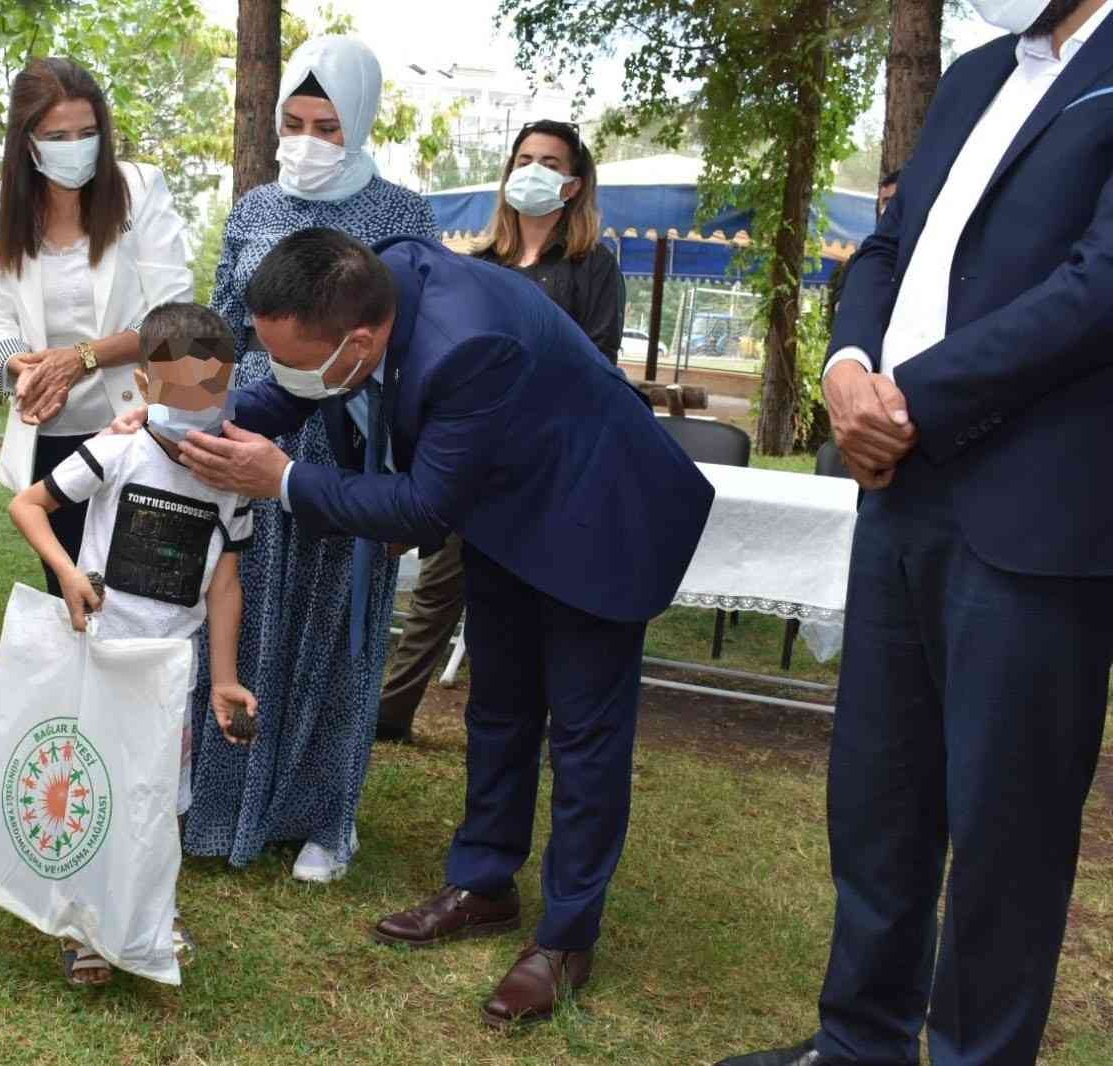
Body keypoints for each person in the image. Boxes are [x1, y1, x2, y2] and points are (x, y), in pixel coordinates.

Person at [153, 227, 712, 1028]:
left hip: (601, 517)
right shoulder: (365, 283)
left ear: (357, 341)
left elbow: (423, 505)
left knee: (583, 738)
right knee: (499, 710)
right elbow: (293, 389)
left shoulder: (465, 347)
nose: (279, 369)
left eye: (292, 355)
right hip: (509, 510)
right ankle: (484, 883)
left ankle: (566, 938)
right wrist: (194, 421)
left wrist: (283, 479)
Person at [720, 2, 1113, 1065]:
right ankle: (860, 1042)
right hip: (899, 489)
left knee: (1006, 831)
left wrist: (914, 398)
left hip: (1036, 510)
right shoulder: (978, 71)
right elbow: (886, 241)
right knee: (878, 801)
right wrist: (846, 369)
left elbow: (1100, 286)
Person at [184, 35, 439, 885]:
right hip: (249, 433)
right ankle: (219, 800)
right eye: (293, 122)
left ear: (359, 122)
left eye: (327, 124)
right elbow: (223, 323)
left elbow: (410, 356)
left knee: (335, 631)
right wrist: (196, 414)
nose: (306, 140)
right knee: (236, 614)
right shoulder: (255, 208)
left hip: (347, 448)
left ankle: (327, 818)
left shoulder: (404, 215)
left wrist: (399, 468)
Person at [7, 301, 257, 986]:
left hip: (171, 672)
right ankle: (86, 924)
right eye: (182, 391)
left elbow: (226, 584)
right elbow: (28, 505)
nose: (201, 405)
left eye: (215, 390)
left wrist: (224, 679)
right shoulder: (117, 450)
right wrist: (65, 574)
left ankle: (152, 911)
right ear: (145, 388)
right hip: (103, 658)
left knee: (160, 798)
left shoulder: (231, 481)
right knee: (97, 788)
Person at [376, 119, 625, 743]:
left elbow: (596, 363)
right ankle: (393, 711)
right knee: (440, 589)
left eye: (548, 161)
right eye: (523, 158)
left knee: (541, 604)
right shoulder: (479, 263)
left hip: (548, 469)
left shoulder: (592, 267)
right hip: (471, 459)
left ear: (571, 185)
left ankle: (543, 726)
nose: (532, 170)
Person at [0, 56, 192, 596]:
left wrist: (82, 357)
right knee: (72, 591)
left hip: (135, 431)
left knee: (144, 594)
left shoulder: (140, 190)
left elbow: (174, 318)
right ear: (27, 141)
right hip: (50, 441)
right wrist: (24, 368)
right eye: (58, 135)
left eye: (88, 133)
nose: (76, 146)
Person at [825, 168, 899, 331]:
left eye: (894, 201)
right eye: (885, 201)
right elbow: (840, 309)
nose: (889, 208)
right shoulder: (859, 260)